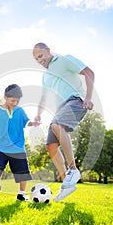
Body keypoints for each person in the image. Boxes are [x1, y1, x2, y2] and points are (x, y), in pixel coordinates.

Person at [32, 42, 95, 201]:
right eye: (36, 59)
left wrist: (88, 97)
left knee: (57, 125)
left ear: (48, 50)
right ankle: (66, 184)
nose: (39, 60)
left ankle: (73, 169)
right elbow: (43, 97)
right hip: (61, 107)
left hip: (76, 100)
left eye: (40, 56)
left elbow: (89, 72)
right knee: (51, 146)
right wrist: (38, 114)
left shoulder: (64, 60)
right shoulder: (45, 77)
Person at [0, 84, 39, 201]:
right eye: (13, 100)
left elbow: (27, 123)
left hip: (18, 148)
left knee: (23, 172)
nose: (15, 103)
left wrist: (34, 123)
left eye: (17, 101)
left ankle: (22, 193)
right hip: (1, 147)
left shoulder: (20, 111)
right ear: (5, 97)